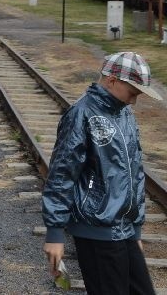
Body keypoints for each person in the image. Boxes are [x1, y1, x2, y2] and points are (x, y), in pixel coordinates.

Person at [42, 52, 161, 294]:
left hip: (123, 228)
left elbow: (135, 172)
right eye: (133, 93)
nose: (134, 101)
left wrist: (135, 228)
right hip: (97, 227)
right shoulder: (81, 114)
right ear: (112, 81)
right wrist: (55, 233)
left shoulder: (124, 114)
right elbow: (61, 174)